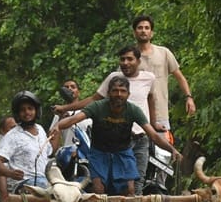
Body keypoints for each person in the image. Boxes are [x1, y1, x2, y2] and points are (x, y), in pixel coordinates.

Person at [53, 46, 165, 187]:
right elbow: (93, 99)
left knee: (138, 181)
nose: (125, 63)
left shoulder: (149, 78)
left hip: (141, 136)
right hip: (117, 138)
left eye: (129, 59)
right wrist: (65, 108)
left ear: (138, 61)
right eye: (122, 59)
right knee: (111, 182)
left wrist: (154, 123)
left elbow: (151, 99)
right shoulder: (113, 78)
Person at [52, 76, 181, 196]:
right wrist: (58, 126)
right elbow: (74, 119)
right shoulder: (97, 107)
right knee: (98, 190)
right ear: (108, 93)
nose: (119, 94)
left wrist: (172, 150)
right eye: (115, 91)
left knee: (129, 190)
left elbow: (153, 135)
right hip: (99, 153)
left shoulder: (133, 110)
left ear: (128, 94)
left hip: (123, 153)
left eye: (122, 91)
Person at [131, 14, 196, 131]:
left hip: (160, 114)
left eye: (147, 28)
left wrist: (189, 97)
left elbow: (180, 77)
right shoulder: (129, 57)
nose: (143, 31)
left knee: (163, 143)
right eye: (140, 28)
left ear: (151, 33)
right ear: (134, 33)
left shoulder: (164, 53)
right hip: (137, 116)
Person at [49, 79, 92, 153]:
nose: (69, 89)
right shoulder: (59, 114)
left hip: (88, 155)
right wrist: (60, 119)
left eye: (73, 87)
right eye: (66, 87)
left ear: (78, 92)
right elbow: (52, 144)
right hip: (68, 155)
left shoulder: (88, 111)